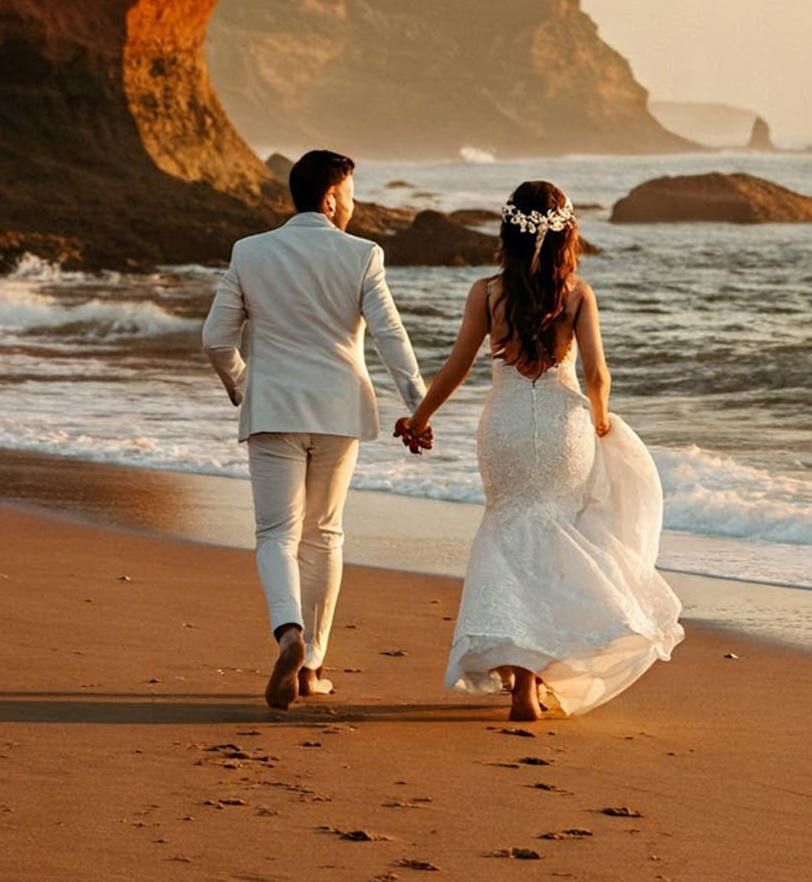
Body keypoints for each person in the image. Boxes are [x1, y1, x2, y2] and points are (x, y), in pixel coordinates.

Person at [401, 180, 682, 719]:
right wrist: (600, 423)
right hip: (563, 426)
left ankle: (520, 679)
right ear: (567, 234)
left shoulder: (486, 292)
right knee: (554, 537)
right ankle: (535, 674)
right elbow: (597, 375)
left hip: (504, 423)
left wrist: (419, 418)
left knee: (508, 534)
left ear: (507, 230)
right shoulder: (576, 292)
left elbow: (457, 366)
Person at [201, 149, 432, 710]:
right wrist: (417, 408)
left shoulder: (250, 252)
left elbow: (215, 338)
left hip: (273, 410)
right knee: (324, 534)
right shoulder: (362, 255)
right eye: (351, 195)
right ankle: (312, 668)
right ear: (331, 199)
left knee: (277, 534)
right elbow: (390, 337)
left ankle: (289, 634)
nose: (355, 205)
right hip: (338, 412)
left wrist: (243, 384)